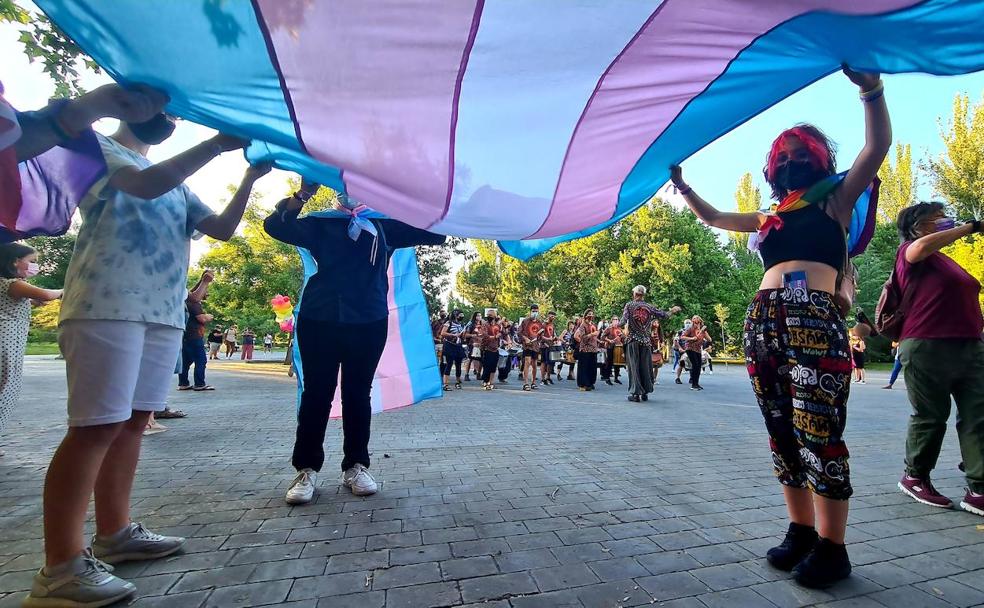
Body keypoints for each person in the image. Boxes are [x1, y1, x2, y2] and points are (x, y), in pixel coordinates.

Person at [25, 109, 266, 607]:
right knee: (94, 428)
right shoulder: (98, 147)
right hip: (106, 303)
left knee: (134, 423)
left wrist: (250, 175)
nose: (169, 118)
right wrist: (216, 144)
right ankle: (61, 568)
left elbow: (221, 229)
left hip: (162, 312)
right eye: (161, 106)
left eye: (175, 112)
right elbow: (143, 185)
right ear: (131, 103)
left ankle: (115, 534)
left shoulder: (179, 184)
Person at [670, 66, 890, 588]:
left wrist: (871, 90)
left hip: (813, 316)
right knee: (780, 428)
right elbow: (715, 219)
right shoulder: (770, 216)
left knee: (819, 428)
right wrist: (683, 187)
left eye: (799, 154)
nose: (790, 162)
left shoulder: (835, 198)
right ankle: (801, 530)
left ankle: (833, 547)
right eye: (782, 157)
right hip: (763, 320)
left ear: (819, 158)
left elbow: (876, 147)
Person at [264, 181, 445, 505]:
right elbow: (276, 225)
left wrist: (412, 194)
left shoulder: (385, 225)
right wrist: (303, 194)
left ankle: (356, 466)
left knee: (358, 394)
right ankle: (306, 469)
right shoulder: (320, 223)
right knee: (316, 395)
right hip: (320, 318)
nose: (352, 189)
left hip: (368, 320)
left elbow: (436, 234)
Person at [893, 202, 983, 516]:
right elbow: (918, 249)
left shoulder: (947, 262)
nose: (946, 221)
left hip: (969, 345)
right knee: (931, 415)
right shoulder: (910, 251)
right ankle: (915, 476)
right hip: (927, 344)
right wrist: (970, 227)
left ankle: (978, 488)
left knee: (978, 415)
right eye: (938, 218)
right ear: (917, 226)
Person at [0, 243, 62, 449]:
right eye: (32, 261)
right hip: (6, 344)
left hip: (11, 344)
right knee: (6, 387)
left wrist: (35, 302)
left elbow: (30, 300)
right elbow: (45, 294)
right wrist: (63, 290)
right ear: (14, 262)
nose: (35, 266)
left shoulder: (10, 285)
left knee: (7, 386)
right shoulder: (11, 283)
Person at [620, 285, 680, 402]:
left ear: (634, 294)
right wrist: (672, 310)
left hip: (633, 341)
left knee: (634, 367)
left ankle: (636, 394)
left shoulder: (629, 305)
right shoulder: (649, 307)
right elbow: (664, 315)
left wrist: (616, 325)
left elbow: (623, 320)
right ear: (643, 294)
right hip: (646, 342)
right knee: (646, 367)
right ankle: (645, 393)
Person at [178, 271, 215, 392]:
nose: (207, 294)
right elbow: (201, 318)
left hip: (185, 336)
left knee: (186, 361)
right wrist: (208, 317)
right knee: (201, 360)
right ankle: (199, 384)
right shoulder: (194, 303)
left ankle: (183, 383)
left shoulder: (186, 301)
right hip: (194, 336)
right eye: (205, 291)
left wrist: (201, 281)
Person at [680, 316, 711, 391]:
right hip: (690, 348)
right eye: (694, 321)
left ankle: (696, 383)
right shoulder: (690, 328)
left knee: (698, 366)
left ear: (700, 321)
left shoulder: (702, 330)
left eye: (697, 320)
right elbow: (682, 337)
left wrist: (704, 332)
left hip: (698, 349)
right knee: (695, 365)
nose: (696, 322)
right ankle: (693, 384)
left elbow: (709, 339)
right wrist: (691, 338)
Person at [573, 308, 601, 391]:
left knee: (592, 367)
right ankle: (584, 384)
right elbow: (583, 338)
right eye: (589, 314)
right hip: (585, 349)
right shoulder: (582, 325)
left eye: (592, 314)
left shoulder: (593, 325)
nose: (591, 316)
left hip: (593, 349)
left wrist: (599, 341)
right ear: (585, 316)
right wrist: (592, 334)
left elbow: (595, 336)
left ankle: (591, 382)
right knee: (584, 367)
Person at [518, 304, 544, 391]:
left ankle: (533, 382)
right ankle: (525, 383)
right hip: (527, 346)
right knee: (527, 362)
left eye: (536, 311)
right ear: (530, 311)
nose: (535, 313)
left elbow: (541, 335)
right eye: (533, 311)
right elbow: (519, 332)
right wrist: (525, 339)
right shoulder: (525, 321)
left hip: (535, 346)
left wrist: (540, 336)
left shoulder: (539, 322)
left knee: (535, 364)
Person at [440, 310, 466, 390]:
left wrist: (463, 335)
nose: (462, 316)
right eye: (460, 315)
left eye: (462, 315)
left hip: (458, 346)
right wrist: (453, 335)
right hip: (449, 345)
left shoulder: (462, 324)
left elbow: (463, 337)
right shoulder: (449, 323)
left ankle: (458, 382)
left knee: (458, 365)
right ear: (456, 315)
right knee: (449, 364)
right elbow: (442, 333)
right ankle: (445, 384)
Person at [478, 311, 501, 391]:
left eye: (490, 315)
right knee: (487, 366)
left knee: (493, 367)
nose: (488, 316)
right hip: (487, 348)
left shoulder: (498, 325)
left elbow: (503, 334)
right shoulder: (485, 325)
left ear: (495, 316)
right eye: (487, 315)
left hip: (495, 348)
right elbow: (485, 336)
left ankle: (491, 383)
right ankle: (485, 382)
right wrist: (495, 337)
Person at [600, 316, 624, 386]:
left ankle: (616, 378)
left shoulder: (619, 328)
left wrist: (622, 336)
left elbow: (623, 337)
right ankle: (607, 378)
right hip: (610, 347)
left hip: (618, 347)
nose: (616, 321)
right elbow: (602, 336)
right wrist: (609, 340)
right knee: (609, 362)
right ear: (612, 320)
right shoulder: (609, 328)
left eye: (617, 319)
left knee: (618, 362)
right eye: (615, 319)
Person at [463, 311, 483, 381]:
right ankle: (466, 374)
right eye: (478, 315)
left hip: (481, 344)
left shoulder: (482, 324)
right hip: (472, 344)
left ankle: (479, 374)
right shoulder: (471, 324)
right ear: (475, 316)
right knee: (470, 359)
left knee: (481, 360)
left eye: (480, 315)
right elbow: (465, 335)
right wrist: (472, 335)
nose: (479, 317)